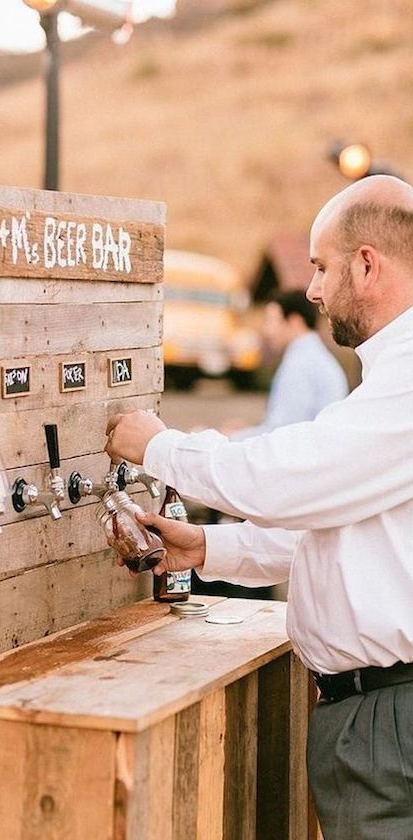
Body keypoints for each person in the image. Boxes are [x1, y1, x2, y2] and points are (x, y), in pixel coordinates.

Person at [105, 174, 413, 840]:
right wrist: (212, 548)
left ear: (367, 264)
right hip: (377, 715)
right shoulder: (390, 375)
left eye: (322, 267)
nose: (311, 289)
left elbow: (290, 479)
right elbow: (344, 530)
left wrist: (160, 447)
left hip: (391, 719)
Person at [224, 289, 348, 439]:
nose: (266, 330)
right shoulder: (313, 356)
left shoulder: (301, 364)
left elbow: (283, 433)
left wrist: (232, 437)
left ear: (295, 321)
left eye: (271, 321)